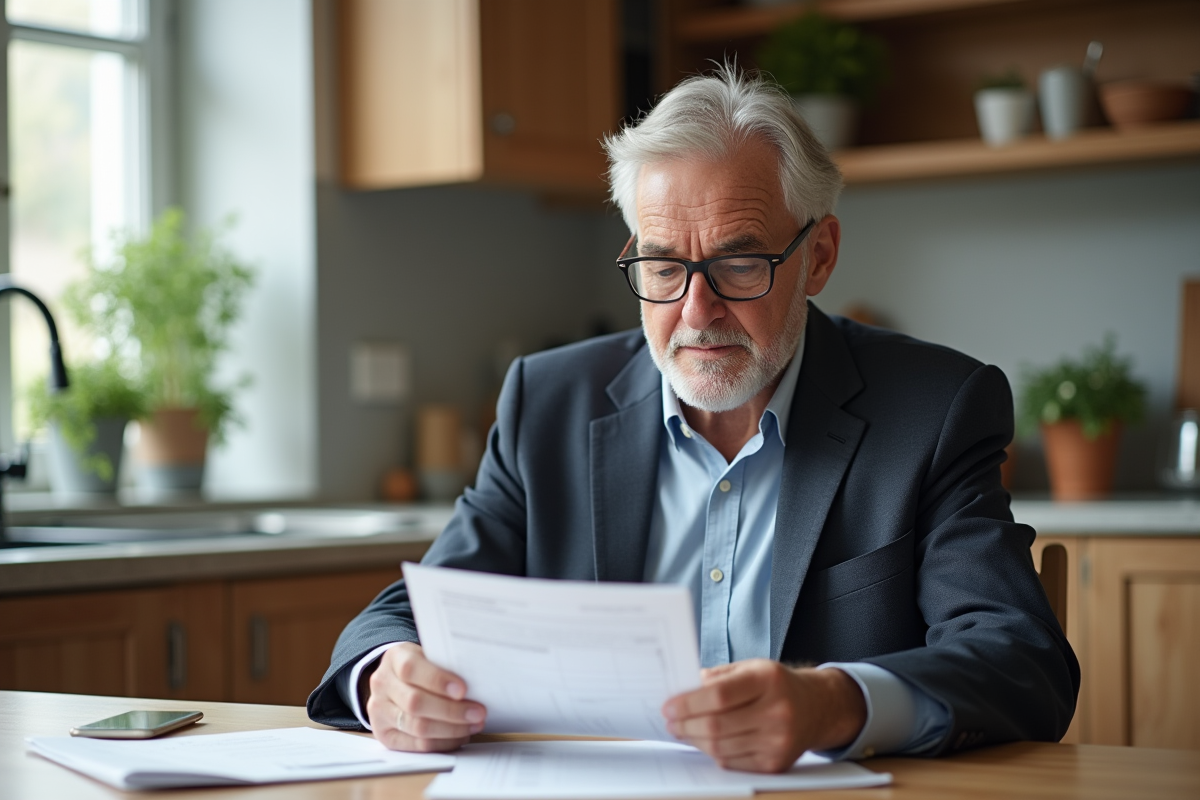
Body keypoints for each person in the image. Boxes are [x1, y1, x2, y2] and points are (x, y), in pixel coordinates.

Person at [307, 65, 1079, 773]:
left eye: (741, 264)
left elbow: (1020, 659)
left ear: (819, 256)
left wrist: (835, 702)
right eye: (663, 265)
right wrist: (389, 674)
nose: (695, 310)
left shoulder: (933, 408)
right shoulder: (548, 403)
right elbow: (413, 610)